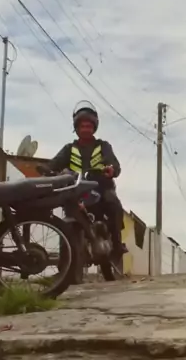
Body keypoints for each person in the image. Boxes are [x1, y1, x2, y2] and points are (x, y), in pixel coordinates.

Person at [48, 101, 127, 257]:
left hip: (100, 189)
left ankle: (117, 244)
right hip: (76, 191)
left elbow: (114, 163)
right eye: (82, 126)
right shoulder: (69, 149)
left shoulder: (103, 146)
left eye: (88, 126)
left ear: (94, 128)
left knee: (114, 204)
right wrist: (47, 171)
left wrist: (111, 170)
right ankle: (65, 262)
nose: (85, 129)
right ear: (76, 128)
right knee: (65, 221)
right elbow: (54, 164)